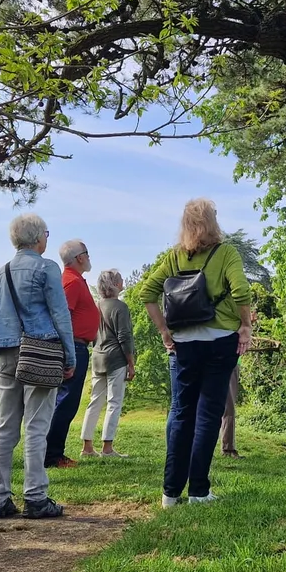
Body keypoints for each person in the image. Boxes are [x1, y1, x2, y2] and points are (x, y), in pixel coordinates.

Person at [137, 198, 252, 507]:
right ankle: (199, 491)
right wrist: (245, 327)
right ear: (213, 222)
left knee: (180, 413)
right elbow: (241, 290)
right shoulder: (226, 253)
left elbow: (146, 293)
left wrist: (164, 331)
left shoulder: (174, 257)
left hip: (183, 344)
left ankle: (169, 494)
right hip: (220, 341)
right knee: (208, 414)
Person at [0, 213, 76, 520]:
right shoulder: (47, 268)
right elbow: (60, 315)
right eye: (46, 234)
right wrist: (70, 356)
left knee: (5, 426)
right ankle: (35, 496)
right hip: (40, 350)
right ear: (38, 238)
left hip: (7, 352)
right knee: (37, 426)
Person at [43, 238, 98, 468]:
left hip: (78, 345)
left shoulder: (76, 280)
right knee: (65, 401)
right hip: (73, 347)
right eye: (87, 252)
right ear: (79, 258)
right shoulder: (71, 283)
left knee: (67, 401)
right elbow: (62, 316)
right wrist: (68, 351)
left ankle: (52, 452)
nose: (89, 256)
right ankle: (52, 454)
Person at [80, 269, 135, 458]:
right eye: (120, 279)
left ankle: (87, 446)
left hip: (97, 356)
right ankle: (107, 447)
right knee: (114, 402)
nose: (123, 281)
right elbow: (124, 337)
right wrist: (131, 362)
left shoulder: (96, 305)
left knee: (94, 401)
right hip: (116, 358)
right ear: (114, 284)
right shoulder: (120, 307)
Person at [220, 367, 240, 458]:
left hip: (230, 361)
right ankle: (228, 448)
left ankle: (228, 447)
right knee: (229, 406)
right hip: (228, 361)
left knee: (229, 406)